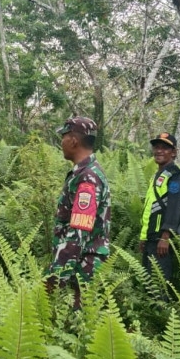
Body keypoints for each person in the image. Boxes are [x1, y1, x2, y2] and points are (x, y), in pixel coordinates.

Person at [46, 116, 111, 309]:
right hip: (79, 264)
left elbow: (78, 232)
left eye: (64, 136)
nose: (61, 142)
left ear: (74, 140)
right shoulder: (84, 173)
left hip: (84, 269)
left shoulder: (87, 178)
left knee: (78, 327)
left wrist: (56, 276)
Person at [139, 132, 180, 293]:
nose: (159, 151)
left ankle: (163, 314)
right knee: (149, 285)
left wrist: (165, 237)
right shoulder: (157, 175)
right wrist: (143, 238)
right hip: (151, 238)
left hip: (161, 241)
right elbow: (150, 209)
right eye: (156, 147)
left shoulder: (175, 176)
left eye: (164, 148)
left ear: (174, 152)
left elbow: (174, 208)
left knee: (159, 286)